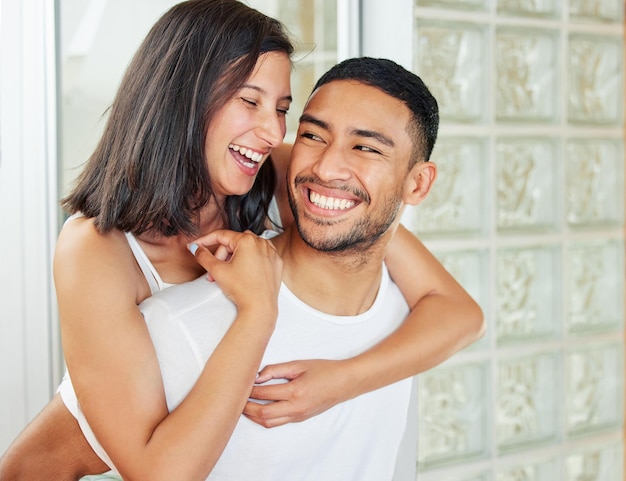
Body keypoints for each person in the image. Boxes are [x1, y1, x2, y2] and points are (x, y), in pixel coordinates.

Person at [0, 1, 483, 479]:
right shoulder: (95, 249)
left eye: (282, 109)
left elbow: (455, 310)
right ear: (181, 97)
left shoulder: (280, 174)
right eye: (249, 101)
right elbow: (149, 470)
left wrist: (339, 382)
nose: (274, 132)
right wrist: (258, 311)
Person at [108, 55, 453, 480]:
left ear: (417, 183)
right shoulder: (183, 324)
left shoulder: (408, 313)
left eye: (364, 147)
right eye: (312, 135)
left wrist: (341, 381)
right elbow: (35, 465)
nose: (326, 168)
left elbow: (465, 315)